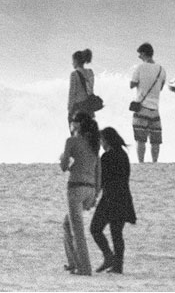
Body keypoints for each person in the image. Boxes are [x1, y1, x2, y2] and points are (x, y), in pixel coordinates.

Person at [90, 127, 136, 274]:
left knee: (95, 229)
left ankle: (108, 256)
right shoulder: (123, 155)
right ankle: (118, 265)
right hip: (123, 196)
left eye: (102, 140)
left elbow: (101, 180)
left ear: (107, 141)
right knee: (117, 233)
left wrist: (94, 195)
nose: (101, 143)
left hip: (110, 197)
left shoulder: (106, 157)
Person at [60, 112, 100, 276]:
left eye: (72, 122)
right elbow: (98, 171)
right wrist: (95, 195)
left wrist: (63, 158)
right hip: (90, 189)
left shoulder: (71, 141)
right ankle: (73, 263)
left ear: (77, 125)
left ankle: (84, 268)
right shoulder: (94, 143)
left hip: (76, 188)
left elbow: (64, 166)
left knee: (77, 230)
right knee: (67, 224)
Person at [129, 42, 166, 163]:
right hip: (155, 109)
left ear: (144, 53)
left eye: (139, 54)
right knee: (155, 140)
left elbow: (132, 84)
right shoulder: (161, 69)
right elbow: (160, 88)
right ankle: (155, 162)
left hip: (141, 108)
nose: (139, 57)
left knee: (141, 139)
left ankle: (141, 162)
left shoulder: (139, 67)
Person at [67, 49, 95, 122]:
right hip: (89, 108)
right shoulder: (90, 72)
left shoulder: (74, 74)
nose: (72, 63)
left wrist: (69, 110)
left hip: (78, 109)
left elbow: (72, 94)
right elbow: (91, 90)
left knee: (78, 132)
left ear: (76, 61)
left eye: (73, 61)